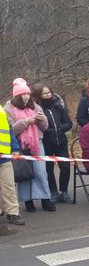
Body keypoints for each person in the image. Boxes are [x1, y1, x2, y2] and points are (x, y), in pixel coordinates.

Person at [6, 78, 54, 212]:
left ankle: (46, 199)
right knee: (24, 173)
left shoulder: (36, 106)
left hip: (37, 143)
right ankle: (28, 201)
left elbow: (44, 127)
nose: (26, 97)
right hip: (19, 144)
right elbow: (11, 129)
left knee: (41, 172)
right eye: (23, 94)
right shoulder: (9, 107)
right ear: (17, 96)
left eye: (27, 94)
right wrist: (26, 122)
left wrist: (42, 119)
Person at [36, 83, 74, 204]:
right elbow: (40, 126)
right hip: (47, 142)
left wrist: (60, 128)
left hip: (61, 141)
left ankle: (64, 191)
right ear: (39, 95)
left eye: (49, 92)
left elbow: (68, 123)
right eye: (44, 93)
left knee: (65, 166)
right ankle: (53, 191)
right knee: (48, 168)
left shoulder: (59, 106)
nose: (48, 95)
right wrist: (50, 131)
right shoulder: (38, 108)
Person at [0, 104, 25, 225]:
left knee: (9, 186)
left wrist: (14, 147)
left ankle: (13, 213)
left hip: (4, 156)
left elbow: (8, 130)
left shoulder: (0, 110)